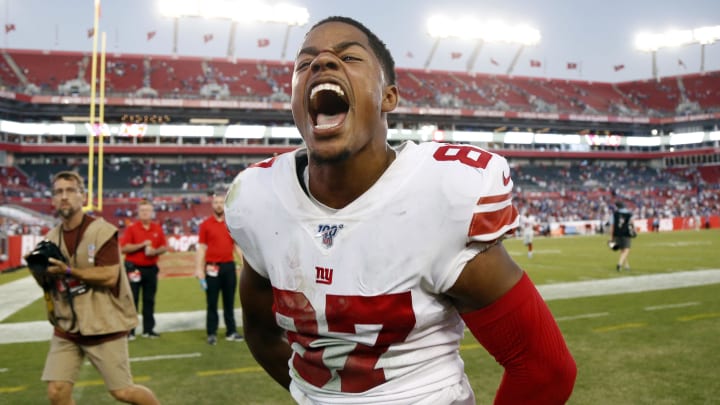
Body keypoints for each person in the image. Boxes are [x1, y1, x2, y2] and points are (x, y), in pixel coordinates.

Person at [225, 16, 576, 404]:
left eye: (349, 57)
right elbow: (261, 333)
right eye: (304, 63)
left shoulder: (440, 196)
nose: (322, 64)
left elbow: (544, 367)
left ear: (388, 97)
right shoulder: (259, 199)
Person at [27, 171, 159, 404]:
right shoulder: (50, 238)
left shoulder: (102, 231)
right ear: (52, 199)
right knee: (57, 391)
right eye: (58, 192)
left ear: (83, 196)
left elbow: (109, 276)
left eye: (70, 191)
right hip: (67, 326)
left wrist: (68, 271)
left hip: (103, 324)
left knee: (123, 392)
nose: (64, 197)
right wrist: (38, 272)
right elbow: (50, 286)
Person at [194, 192, 244, 345]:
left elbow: (237, 246)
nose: (218, 205)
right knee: (212, 302)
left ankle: (231, 331)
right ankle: (212, 333)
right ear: (212, 204)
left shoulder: (231, 223)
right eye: (216, 202)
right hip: (212, 268)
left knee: (229, 302)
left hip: (228, 267)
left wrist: (243, 264)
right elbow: (202, 248)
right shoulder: (205, 225)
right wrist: (199, 268)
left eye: (221, 202)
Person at [120, 199, 167, 339]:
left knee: (149, 300)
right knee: (132, 300)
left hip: (151, 268)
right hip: (134, 268)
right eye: (142, 210)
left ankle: (148, 330)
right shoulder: (132, 228)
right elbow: (124, 248)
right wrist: (141, 245)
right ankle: (130, 331)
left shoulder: (157, 228)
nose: (145, 213)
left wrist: (155, 251)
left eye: (147, 210)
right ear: (138, 213)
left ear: (152, 212)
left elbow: (164, 247)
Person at [609, 201, 633, 271]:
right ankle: (619, 264)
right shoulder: (629, 213)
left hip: (616, 233)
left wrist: (611, 237)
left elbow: (612, 227)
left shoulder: (614, 214)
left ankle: (626, 265)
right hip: (626, 233)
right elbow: (631, 224)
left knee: (622, 250)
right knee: (627, 249)